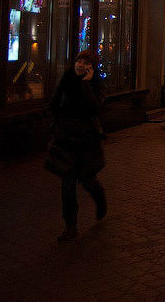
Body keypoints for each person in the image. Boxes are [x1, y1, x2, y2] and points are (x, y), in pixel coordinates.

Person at [45, 50, 107, 242]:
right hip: (66, 140)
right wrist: (56, 125)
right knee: (68, 182)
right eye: (79, 60)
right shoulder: (68, 77)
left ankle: (100, 198)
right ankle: (70, 226)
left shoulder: (94, 83)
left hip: (87, 142)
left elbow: (95, 108)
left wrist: (86, 84)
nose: (80, 64)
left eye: (85, 62)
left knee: (88, 181)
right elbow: (55, 102)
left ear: (92, 68)